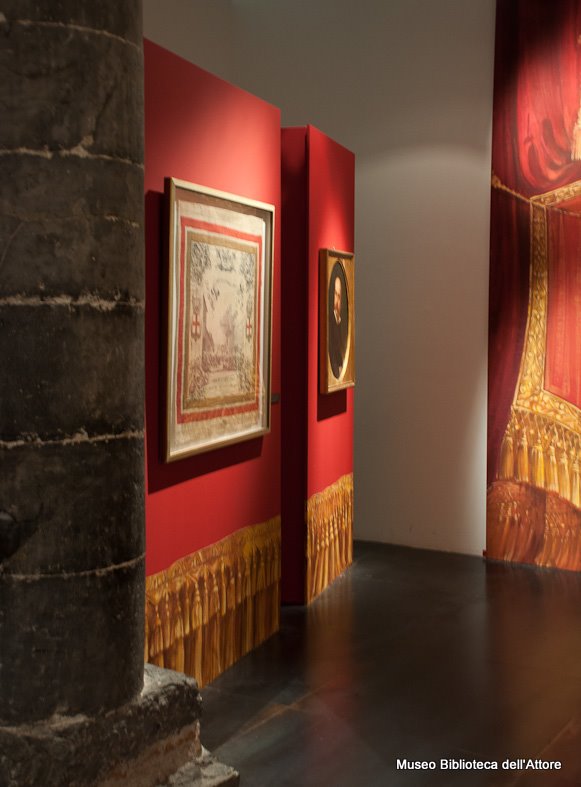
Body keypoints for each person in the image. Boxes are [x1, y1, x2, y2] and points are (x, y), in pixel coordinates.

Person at [328, 267, 348, 379]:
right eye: (336, 294)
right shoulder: (330, 321)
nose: (337, 300)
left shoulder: (341, 322)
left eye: (339, 296)